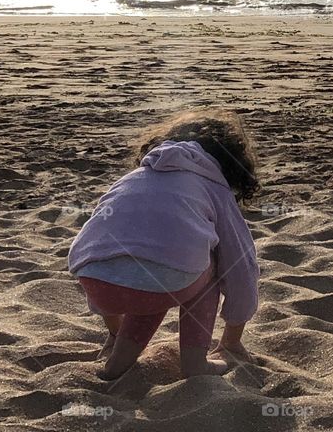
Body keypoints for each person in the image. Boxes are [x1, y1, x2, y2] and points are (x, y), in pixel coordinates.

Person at [67, 110, 260, 380]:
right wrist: (232, 338)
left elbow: (99, 240)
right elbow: (241, 266)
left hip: (94, 279)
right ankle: (195, 363)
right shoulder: (214, 186)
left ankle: (117, 362)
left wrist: (113, 329)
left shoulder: (134, 178)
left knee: (152, 263)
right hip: (162, 281)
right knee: (202, 264)